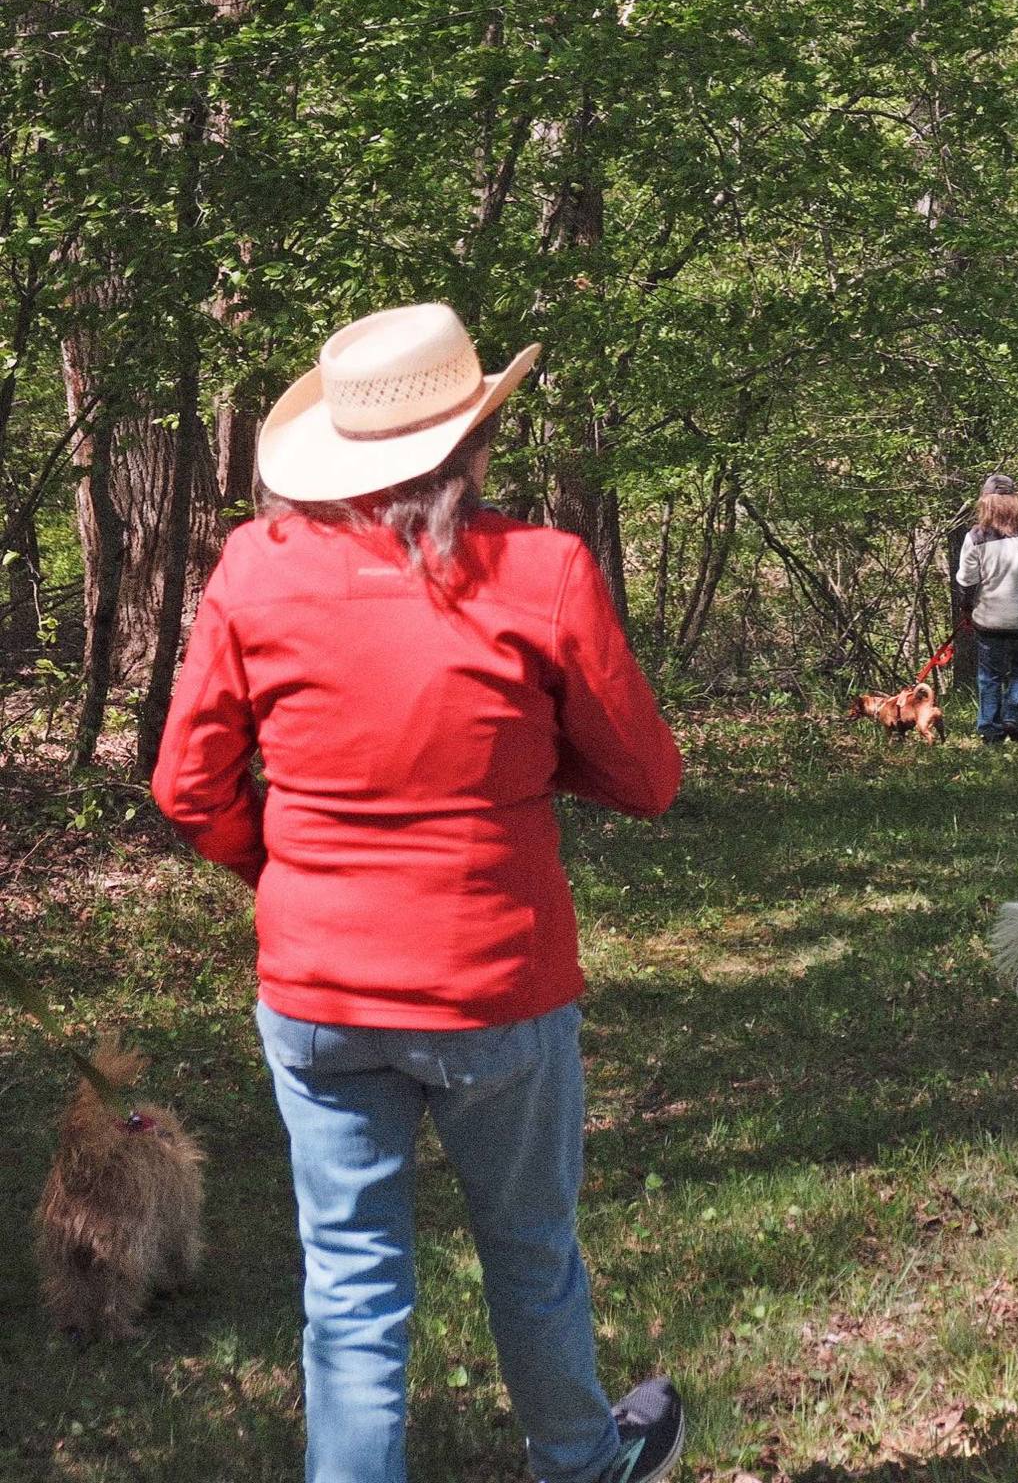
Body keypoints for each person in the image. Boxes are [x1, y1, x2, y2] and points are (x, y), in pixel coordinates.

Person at [151, 304, 688, 1483]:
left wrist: (279, 871)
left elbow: (188, 784)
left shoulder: (255, 567)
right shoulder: (543, 569)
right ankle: (580, 1460)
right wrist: (534, 760)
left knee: (349, 1282)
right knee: (531, 1247)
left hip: (320, 992)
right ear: (473, 442)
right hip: (497, 983)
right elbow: (647, 777)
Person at [955, 473, 1018, 744]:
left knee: (990, 675)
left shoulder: (976, 536)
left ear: (984, 501)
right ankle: (1013, 717)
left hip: (989, 617)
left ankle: (990, 728)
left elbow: (966, 579)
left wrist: (966, 607)